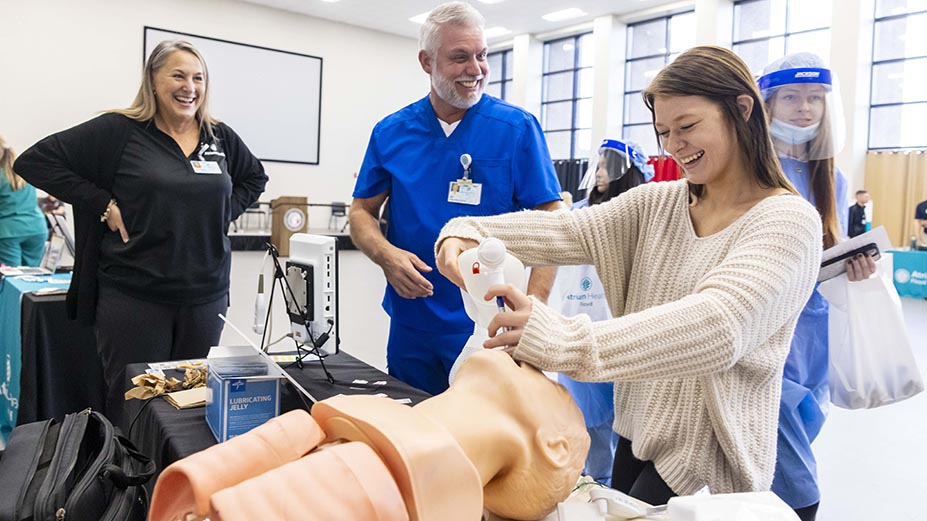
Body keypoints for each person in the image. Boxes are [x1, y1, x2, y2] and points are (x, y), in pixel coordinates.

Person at [435, 46, 823, 505]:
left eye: (688, 126)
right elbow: (564, 228)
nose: (675, 145)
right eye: (663, 132)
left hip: (709, 466)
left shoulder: (787, 221)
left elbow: (718, 325)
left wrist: (561, 340)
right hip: (638, 441)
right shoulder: (658, 205)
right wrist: (465, 231)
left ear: (741, 110)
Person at [15, 40, 267, 428]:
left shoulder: (218, 137)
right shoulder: (121, 131)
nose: (190, 87)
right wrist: (101, 202)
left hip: (204, 297)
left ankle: (173, 484)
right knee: (134, 406)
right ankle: (128, 486)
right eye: (179, 75)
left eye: (198, 78)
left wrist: (221, 213)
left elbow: (254, 177)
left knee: (190, 409)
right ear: (152, 81)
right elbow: (35, 160)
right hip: (135, 298)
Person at [349, 1, 562, 395]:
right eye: (460, 57)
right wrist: (385, 255)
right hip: (413, 321)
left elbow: (552, 218)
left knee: (483, 443)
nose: (476, 69)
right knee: (413, 432)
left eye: (482, 55)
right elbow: (361, 211)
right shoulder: (391, 132)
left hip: (488, 324)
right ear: (426, 62)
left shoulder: (516, 129)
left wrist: (533, 307)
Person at [149, 349, 590, 521]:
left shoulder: (376, 483)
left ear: (554, 446)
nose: (530, 361)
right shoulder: (320, 435)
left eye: (548, 384)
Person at [758, 52, 876, 521]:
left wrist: (854, 264)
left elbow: (830, 249)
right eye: (790, 97)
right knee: (794, 479)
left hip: (814, 334)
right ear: (767, 105)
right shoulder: (754, 173)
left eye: (814, 98)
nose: (804, 108)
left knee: (790, 447)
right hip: (764, 335)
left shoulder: (835, 178)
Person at [548, 138, 651, 485]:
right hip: (577, 327)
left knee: (622, 424)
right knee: (581, 416)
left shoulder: (642, 217)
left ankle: (608, 486)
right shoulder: (579, 212)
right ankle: (590, 483)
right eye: (600, 164)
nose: (601, 173)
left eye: (609, 165)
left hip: (622, 334)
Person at [0, 136, 47, 267]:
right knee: (31, 277)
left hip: (8, 232)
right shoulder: (23, 172)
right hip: (37, 228)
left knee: (9, 278)